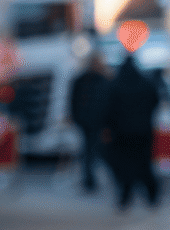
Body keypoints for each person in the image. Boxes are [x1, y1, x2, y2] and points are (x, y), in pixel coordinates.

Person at [103, 52, 161, 210]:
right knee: (144, 164)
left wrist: (109, 127)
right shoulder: (145, 83)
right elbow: (155, 101)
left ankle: (125, 197)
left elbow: (108, 109)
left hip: (122, 133)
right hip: (143, 131)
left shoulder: (115, 85)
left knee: (125, 166)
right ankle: (152, 196)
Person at [69, 51, 110, 192]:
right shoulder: (91, 80)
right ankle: (89, 180)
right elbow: (74, 101)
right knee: (91, 151)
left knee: (91, 151)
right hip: (90, 121)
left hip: (93, 121)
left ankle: (90, 180)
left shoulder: (96, 80)